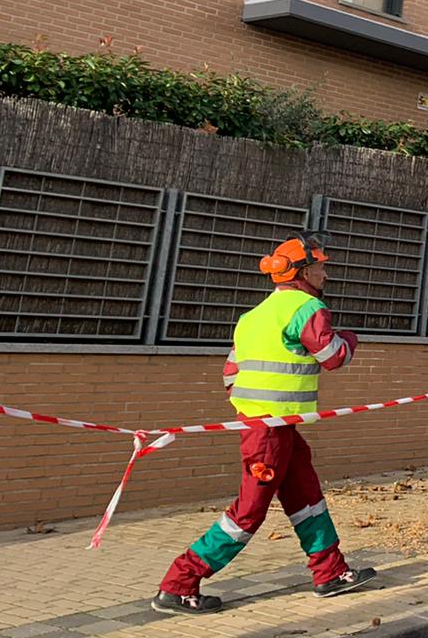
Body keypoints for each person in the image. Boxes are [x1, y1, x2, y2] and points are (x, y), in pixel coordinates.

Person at [152, 234, 377, 614]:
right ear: (303, 272)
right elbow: (333, 356)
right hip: (269, 433)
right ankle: (178, 584)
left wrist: (256, 409)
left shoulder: (252, 317)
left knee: (306, 496)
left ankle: (330, 571)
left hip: (270, 427)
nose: (325, 274)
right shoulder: (307, 308)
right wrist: (350, 339)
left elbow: (229, 375)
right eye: (321, 266)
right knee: (248, 513)